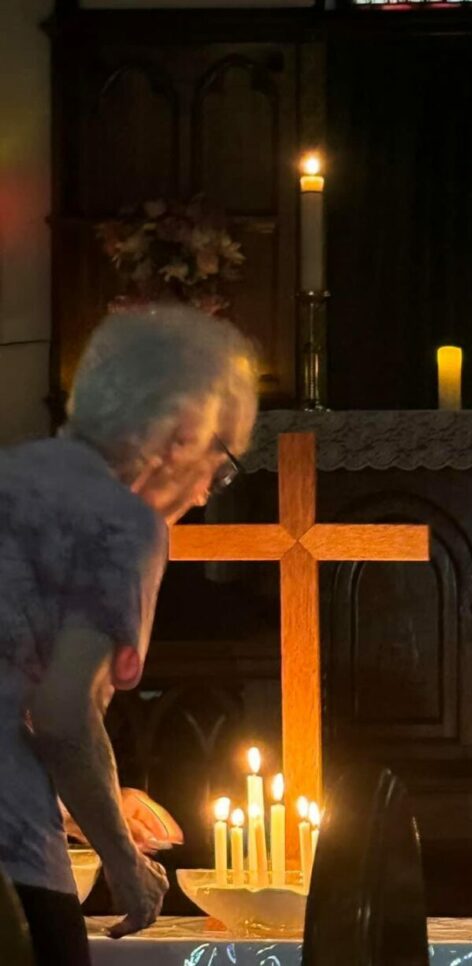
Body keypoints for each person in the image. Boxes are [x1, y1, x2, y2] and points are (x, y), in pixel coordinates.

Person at [0, 304, 259, 965]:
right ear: (179, 429)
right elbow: (57, 715)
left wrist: (93, 803)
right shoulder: (123, 520)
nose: (205, 492)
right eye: (218, 458)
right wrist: (123, 863)